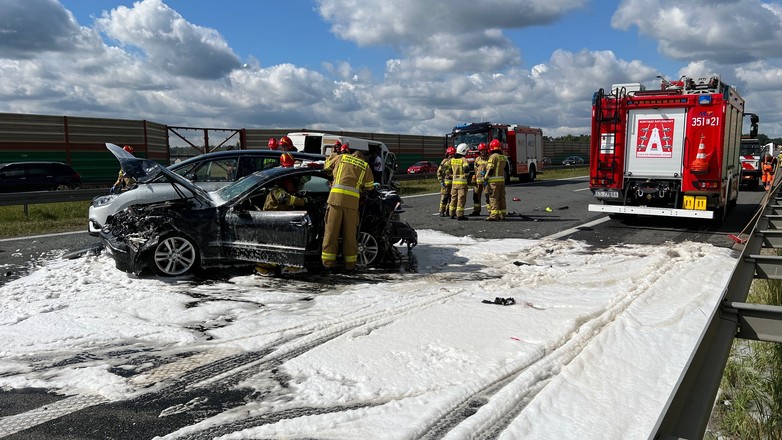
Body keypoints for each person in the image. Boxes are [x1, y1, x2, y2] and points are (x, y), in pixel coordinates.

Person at [321, 145, 375, 273]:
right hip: (352, 204)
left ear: (352, 154)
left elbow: (326, 166)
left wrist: (333, 153)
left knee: (331, 233)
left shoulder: (342, 158)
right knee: (350, 236)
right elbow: (370, 187)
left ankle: (328, 265)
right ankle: (350, 266)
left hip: (335, 200)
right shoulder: (365, 166)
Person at [255, 154, 309, 277]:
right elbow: (285, 199)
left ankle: (282, 266)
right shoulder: (278, 183)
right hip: (273, 220)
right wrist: (305, 201)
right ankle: (267, 268)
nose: (293, 182)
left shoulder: (283, 175)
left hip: (280, 218)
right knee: (281, 245)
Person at [484, 139, 507, 221]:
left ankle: (494, 215)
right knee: (502, 198)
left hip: (493, 182)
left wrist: (486, 177)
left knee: (493, 198)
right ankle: (502, 214)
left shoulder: (493, 157)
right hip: (501, 181)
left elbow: (490, 168)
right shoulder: (503, 157)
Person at [449, 143, 470, 220]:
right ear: (463, 151)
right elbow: (466, 169)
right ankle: (460, 215)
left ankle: (451, 213)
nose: (467, 153)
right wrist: (467, 176)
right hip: (462, 183)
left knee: (453, 198)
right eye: (466, 151)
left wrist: (451, 175)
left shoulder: (452, 160)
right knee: (461, 199)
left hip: (454, 183)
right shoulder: (463, 159)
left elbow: (446, 168)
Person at [470, 142, 489, 216]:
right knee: (476, 197)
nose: (482, 152)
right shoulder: (477, 159)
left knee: (488, 196)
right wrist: (474, 178)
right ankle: (476, 211)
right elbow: (475, 170)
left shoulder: (489, 158)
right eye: (481, 150)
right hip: (477, 182)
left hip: (486, 182)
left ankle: (491, 212)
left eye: (484, 150)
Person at [437, 147, 455, 216]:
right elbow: (439, 171)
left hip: (453, 183)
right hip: (446, 182)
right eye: (450, 154)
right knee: (444, 197)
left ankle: (448, 211)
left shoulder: (455, 161)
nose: (451, 156)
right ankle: (442, 211)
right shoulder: (444, 161)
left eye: (453, 154)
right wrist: (441, 180)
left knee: (452, 198)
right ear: (447, 154)